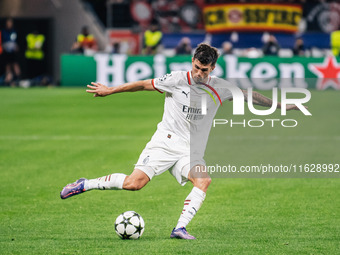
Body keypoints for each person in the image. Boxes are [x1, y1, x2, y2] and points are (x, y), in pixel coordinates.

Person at [60, 43, 301, 239]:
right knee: (134, 184)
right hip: (164, 143)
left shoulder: (221, 88)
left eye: (204, 70)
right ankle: (85, 184)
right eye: (197, 67)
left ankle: (179, 228)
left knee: (203, 180)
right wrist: (111, 90)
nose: (199, 73)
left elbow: (251, 96)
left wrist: (281, 106)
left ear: (213, 68)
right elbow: (143, 85)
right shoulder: (176, 79)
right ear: (192, 62)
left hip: (190, 151)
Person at [1, 18, 21, 85]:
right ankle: (8, 79)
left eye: (10, 23)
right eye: (8, 23)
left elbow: (16, 41)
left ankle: (18, 79)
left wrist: (16, 46)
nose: (9, 24)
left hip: (13, 51)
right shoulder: (3, 31)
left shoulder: (14, 31)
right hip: (6, 51)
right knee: (7, 66)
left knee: (15, 64)